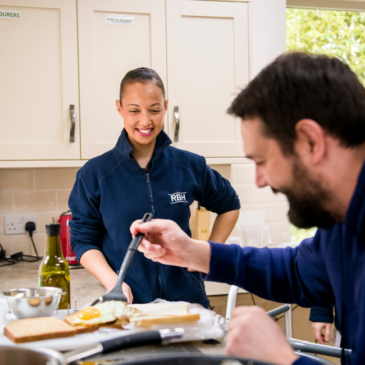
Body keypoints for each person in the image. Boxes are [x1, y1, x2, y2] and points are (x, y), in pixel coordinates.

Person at [131, 53, 365, 365]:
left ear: (310, 141)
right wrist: (192, 252)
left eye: (262, 161)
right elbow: (300, 273)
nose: (259, 180)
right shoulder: (342, 218)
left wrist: (283, 358)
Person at [69, 67, 240, 307]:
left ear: (166, 106)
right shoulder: (95, 174)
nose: (145, 121)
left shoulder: (190, 165)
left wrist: (206, 256)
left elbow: (230, 205)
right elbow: (82, 239)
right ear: (119, 108)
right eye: (134, 110)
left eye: (154, 110)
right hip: (128, 307)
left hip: (189, 306)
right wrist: (114, 283)